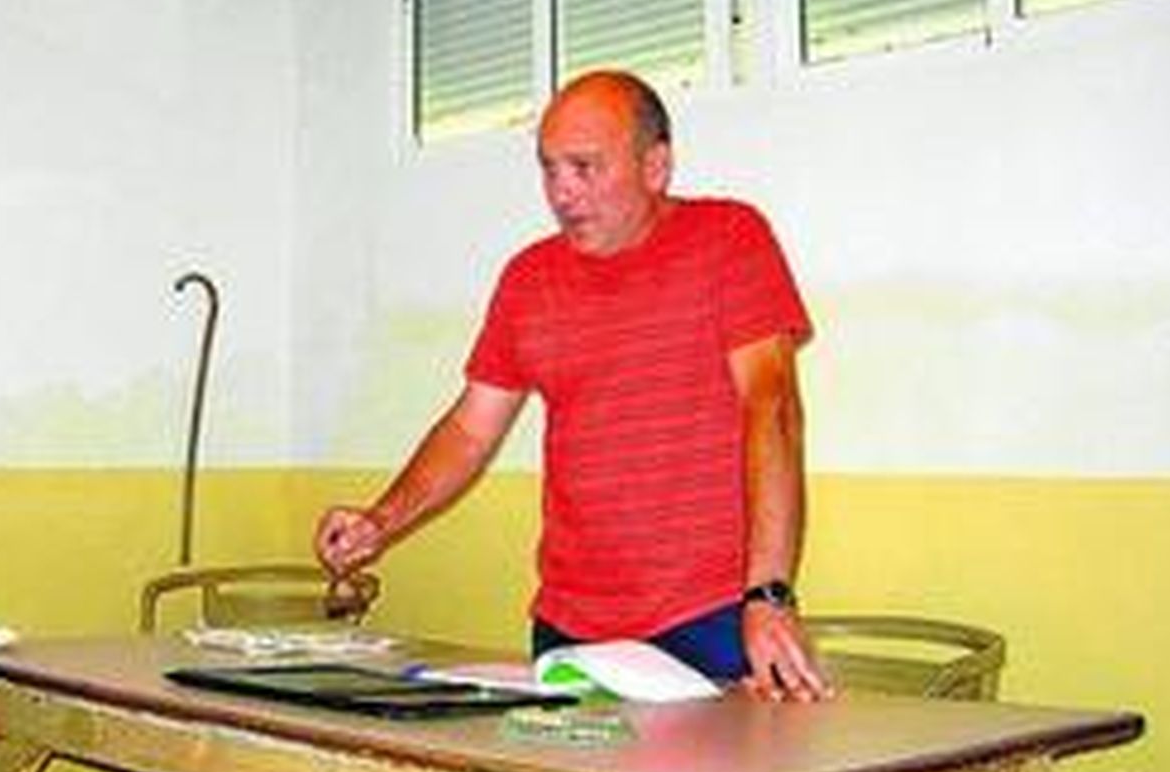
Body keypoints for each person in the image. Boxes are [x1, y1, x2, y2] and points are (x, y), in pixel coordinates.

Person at [315, 70, 830, 702]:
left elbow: (772, 407)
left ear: (655, 166)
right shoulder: (528, 279)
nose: (562, 192)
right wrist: (381, 519)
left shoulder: (729, 239)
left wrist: (769, 594)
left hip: (712, 617)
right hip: (569, 625)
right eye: (549, 169)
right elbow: (470, 429)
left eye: (584, 167)